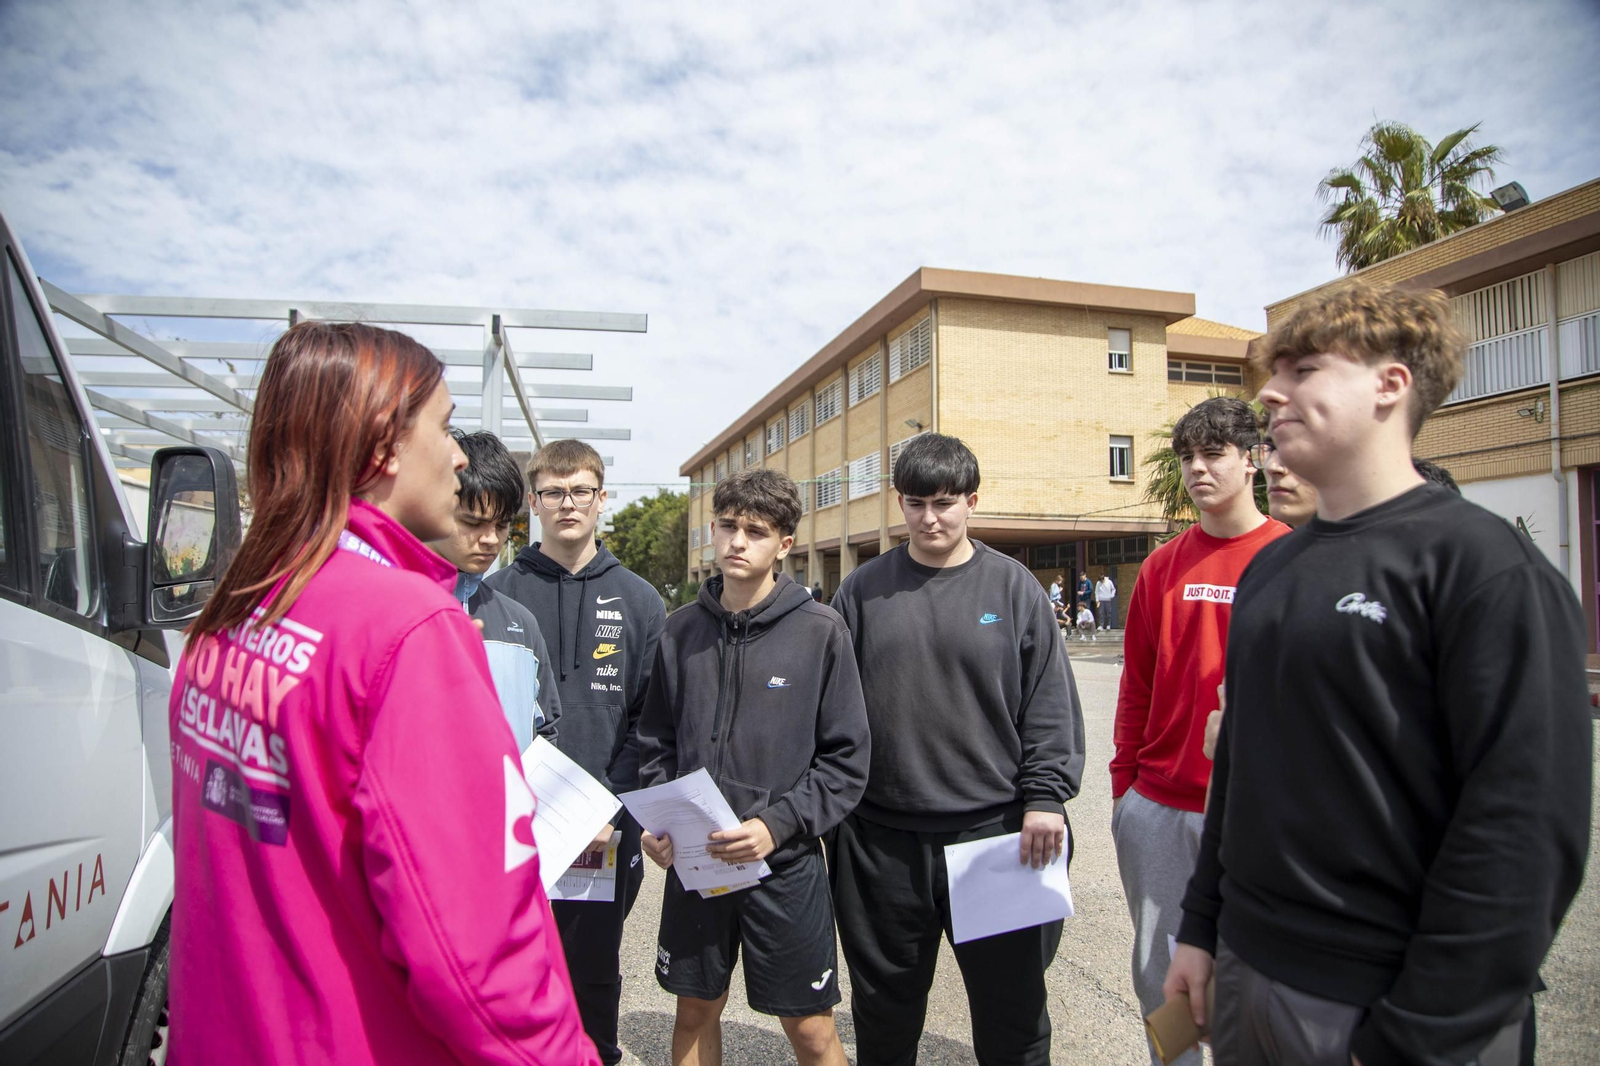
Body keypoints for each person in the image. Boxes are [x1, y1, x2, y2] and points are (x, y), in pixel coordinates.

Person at [1167, 283, 1592, 1066]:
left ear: (1390, 385)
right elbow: (1242, 769)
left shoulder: (1487, 569)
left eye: (1302, 370)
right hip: (1249, 975)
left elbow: (1523, 831)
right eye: (1274, 372)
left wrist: (1418, 1034)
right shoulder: (1274, 570)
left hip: (1390, 1006)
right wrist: (1201, 929)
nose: (1271, 392)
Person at [167, 321, 595, 1065]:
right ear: (384, 446)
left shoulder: (236, 606)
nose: (459, 455)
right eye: (444, 425)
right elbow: (474, 950)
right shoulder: (408, 627)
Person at [829, 433, 1086, 1066]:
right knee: (884, 1018)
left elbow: (1048, 704)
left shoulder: (1014, 588)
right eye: (915, 503)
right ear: (899, 503)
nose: (930, 518)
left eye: (944, 502)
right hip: (881, 842)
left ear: (972, 500)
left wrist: (1045, 798)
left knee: (1014, 1018)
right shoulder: (862, 592)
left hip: (997, 835)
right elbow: (827, 709)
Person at [637, 468, 870, 1066]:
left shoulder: (821, 632)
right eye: (728, 527)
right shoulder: (680, 630)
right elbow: (655, 740)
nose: (738, 542)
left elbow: (846, 760)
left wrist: (778, 825)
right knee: (693, 1011)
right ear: (712, 530)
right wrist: (660, 821)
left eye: (757, 531)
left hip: (783, 865)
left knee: (812, 1029)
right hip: (697, 863)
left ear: (785, 545)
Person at [1110, 396, 1290, 1066]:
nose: (1198, 469)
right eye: (1188, 456)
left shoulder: (1294, 560)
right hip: (1159, 806)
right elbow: (1137, 687)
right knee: (1164, 985)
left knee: (1259, 985)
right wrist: (1125, 789)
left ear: (1253, 460)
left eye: (1214, 454)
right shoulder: (1162, 567)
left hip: (1258, 815)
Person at [485, 438, 667, 1065]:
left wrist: (609, 808)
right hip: (514, 827)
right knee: (511, 968)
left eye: (581, 491)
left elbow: (652, 719)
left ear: (601, 498)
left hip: (601, 830)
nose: (568, 504)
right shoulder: (492, 597)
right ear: (533, 502)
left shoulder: (641, 601)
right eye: (554, 492)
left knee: (592, 972)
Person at [430, 429, 560, 750]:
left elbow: (546, 732)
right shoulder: (395, 609)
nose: (490, 539)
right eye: (473, 523)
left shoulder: (521, 624)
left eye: (501, 525)